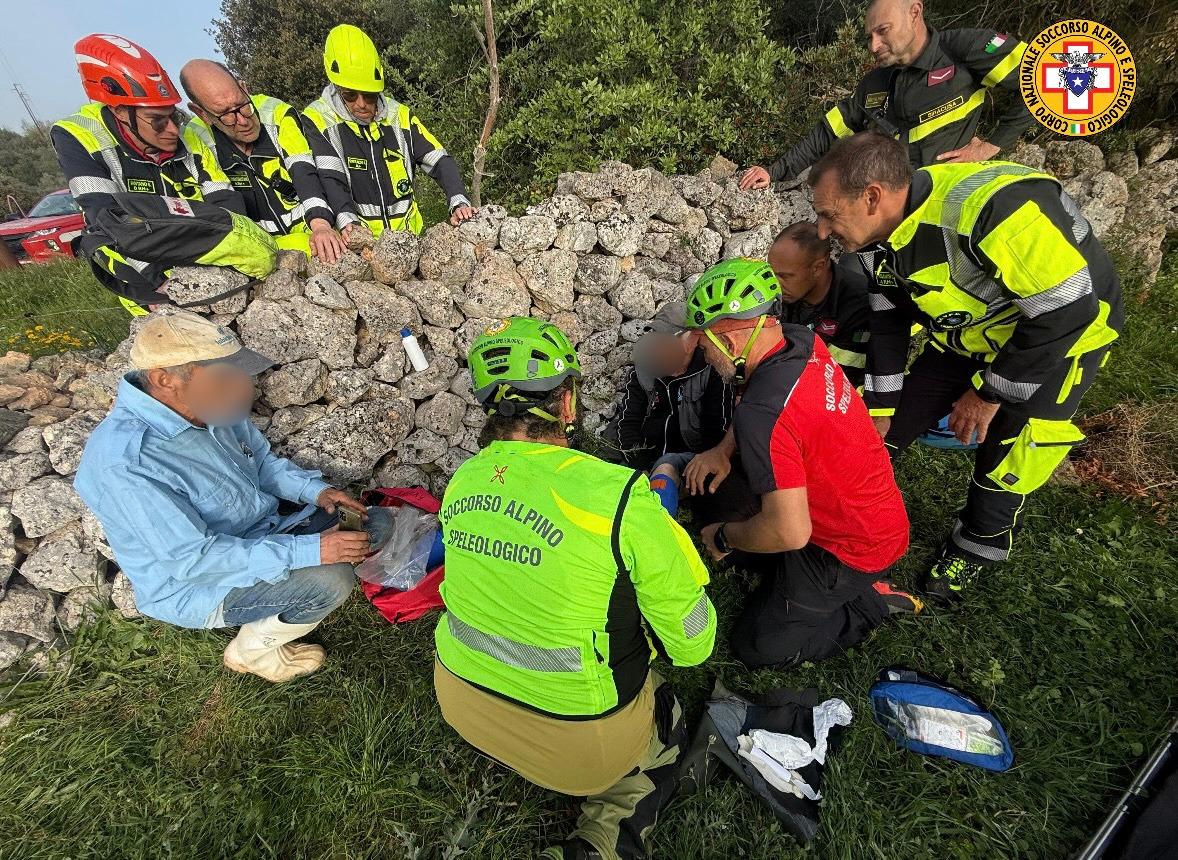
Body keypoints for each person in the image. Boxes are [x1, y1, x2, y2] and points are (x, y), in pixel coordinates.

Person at [432, 317, 716, 860]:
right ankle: (603, 836)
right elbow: (693, 644)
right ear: (567, 405)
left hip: (462, 704)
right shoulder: (622, 498)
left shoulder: (463, 480)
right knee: (668, 718)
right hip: (582, 747)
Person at [809, 132, 1123, 602]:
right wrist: (880, 403)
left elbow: (1066, 311)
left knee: (1009, 452)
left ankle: (977, 545)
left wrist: (988, 394)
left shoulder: (997, 209)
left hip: (1063, 335)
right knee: (880, 429)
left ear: (873, 197)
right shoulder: (878, 230)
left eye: (828, 215)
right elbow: (890, 317)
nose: (820, 231)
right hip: (971, 329)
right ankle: (844, 519)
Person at [74, 310, 391, 682]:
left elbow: (262, 465)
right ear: (164, 380)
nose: (244, 388)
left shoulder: (213, 408)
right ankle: (252, 652)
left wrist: (317, 491)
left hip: (265, 534)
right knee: (331, 582)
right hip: (201, 584)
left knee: (376, 524)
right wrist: (314, 552)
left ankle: (292, 584)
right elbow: (195, 561)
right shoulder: (126, 463)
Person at [681, 258, 918, 669]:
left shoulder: (763, 414)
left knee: (758, 647)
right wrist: (722, 449)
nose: (703, 355)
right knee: (714, 495)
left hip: (850, 549)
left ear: (731, 345)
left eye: (704, 346)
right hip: (849, 508)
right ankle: (783, 575)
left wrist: (723, 538)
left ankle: (869, 603)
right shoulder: (797, 341)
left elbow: (789, 531)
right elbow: (767, 410)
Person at [53, 34, 272, 315]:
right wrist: (160, 284)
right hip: (146, 277)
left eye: (173, 116)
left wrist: (227, 265)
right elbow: (105, 222)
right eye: (157, 121)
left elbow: (226, 202)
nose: (172, 130)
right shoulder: (80, 137)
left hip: (210, 265)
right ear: (120, 112)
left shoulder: (189, 137)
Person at [739, 0, 1031, 189]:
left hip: (956, 196)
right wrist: (774, 171)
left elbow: (1045, 82)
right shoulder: (875, 82)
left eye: (883, 31)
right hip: (899, 209)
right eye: (870, 36)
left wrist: (991, 145)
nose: (874, 45)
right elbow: (827, 132)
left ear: (914, 12)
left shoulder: (962, 49)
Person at [303, 24, 476, 239]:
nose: (362, 104)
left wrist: (458, 200)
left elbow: (439, 160)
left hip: (409, 239)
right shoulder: (318, 119)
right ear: (336, 86)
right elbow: (331, 179)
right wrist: (350, 227)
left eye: (369, 95)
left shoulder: (399, 115)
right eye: (350, 95)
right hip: (360, 242)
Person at [180, 59, 348, 263]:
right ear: (202, 114)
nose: (243, 121)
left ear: (244, 88)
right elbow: (221, 200)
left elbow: (304, 171)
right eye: (226, 115)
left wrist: (321, 224)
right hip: (257, 249)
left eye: (242, 105)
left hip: (310, 234)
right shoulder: (196, 137)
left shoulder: (276, 112)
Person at [770, 222, 871, 387]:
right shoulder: (784, 294)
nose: (775, 283)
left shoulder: (858, 306)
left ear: (818, 267)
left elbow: (836, 381)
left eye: (785, 276)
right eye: (772, 273)